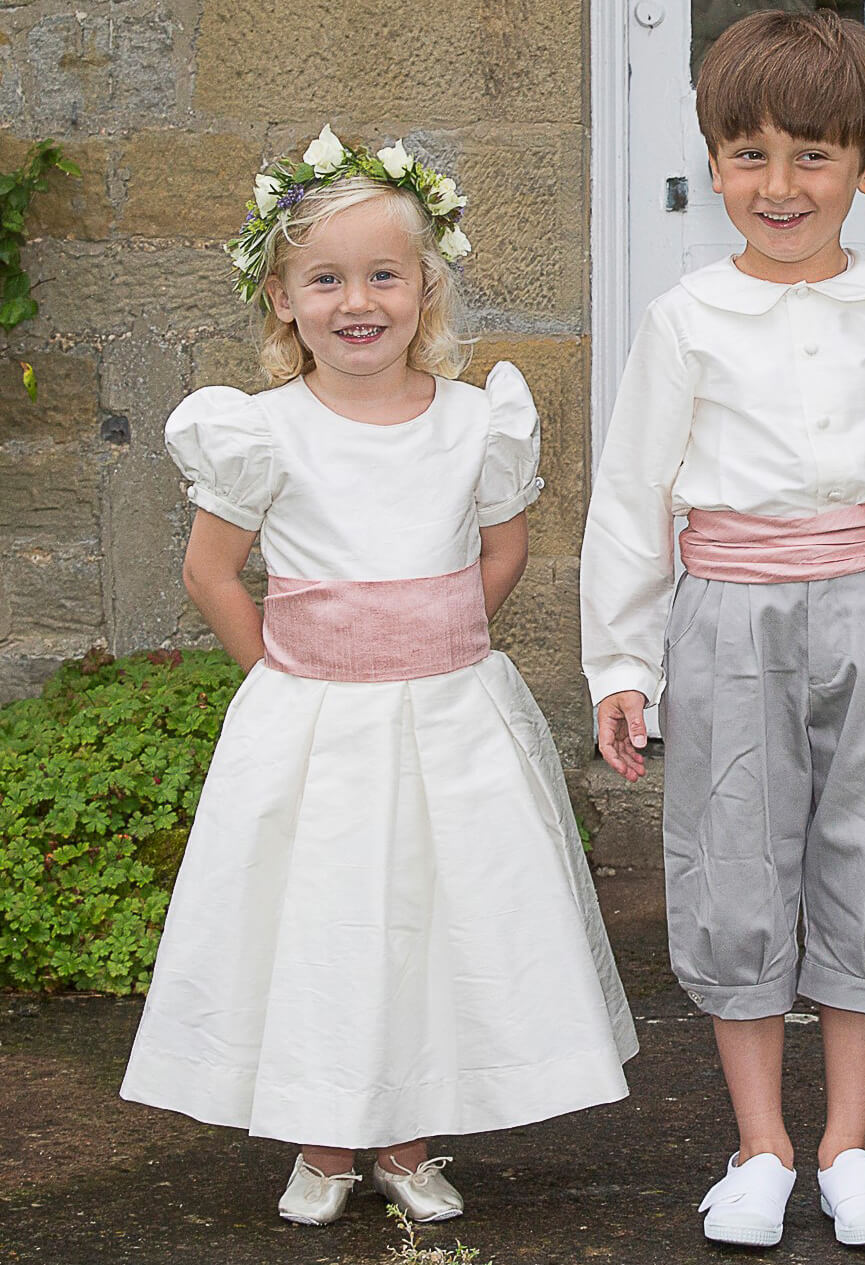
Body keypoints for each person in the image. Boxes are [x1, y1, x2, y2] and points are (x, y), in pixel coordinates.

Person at [121, 125, 637, 1229]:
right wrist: (285, 673)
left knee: (432, 918)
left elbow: (502, 550)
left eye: (383, 274)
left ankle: (406, 1137)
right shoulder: (261, 432)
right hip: (314, 724)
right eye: (325, 278)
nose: (357, 300)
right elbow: (211, 569)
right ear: (282, 299)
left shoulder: (471, 422)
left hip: (449, 716)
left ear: (425, 286)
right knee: (323, 922)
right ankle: (322, 1139)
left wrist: (428, 635)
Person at [580, 11, 865, 1251]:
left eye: (814, 156)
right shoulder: (685, 319)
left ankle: (849, 1143)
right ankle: (760, 1140)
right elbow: (631, 497)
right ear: (713, 163)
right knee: (733, 857)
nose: (780, 187)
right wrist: (621, 656)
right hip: (728, 616)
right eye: (751, 155)